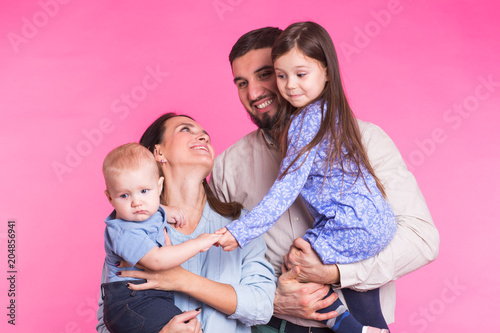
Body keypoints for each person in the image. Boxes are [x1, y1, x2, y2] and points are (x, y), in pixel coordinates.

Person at [210, 25, 439, 332]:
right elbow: (216, 268)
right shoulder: (227, 165)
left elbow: (422, 240)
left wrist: (334, 273)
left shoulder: (365, 140)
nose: (253, 93)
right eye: (242, 82)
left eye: (265, 74)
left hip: (366, 315)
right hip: (276, 325)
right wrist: (271, 299)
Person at [96, 113, 276, 333]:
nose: (203, 137)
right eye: (185, 129)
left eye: (205, 135)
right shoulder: (131, 226)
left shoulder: (241, 226)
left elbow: (261, 307)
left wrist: (182, 280)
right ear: (158, 152)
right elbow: (108, 323)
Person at [101, 142, 222, 332]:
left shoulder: (149, 211)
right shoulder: (124, 232)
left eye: (144, 191)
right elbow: (157, 260)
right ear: (110, 199)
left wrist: (167, 210)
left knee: (190, 327)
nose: (137, 202)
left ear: (159, 186)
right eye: (124, 195)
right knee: (187, 328)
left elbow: (153, 209)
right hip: (131, 302)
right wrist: (198, 243)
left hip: (148, 296)